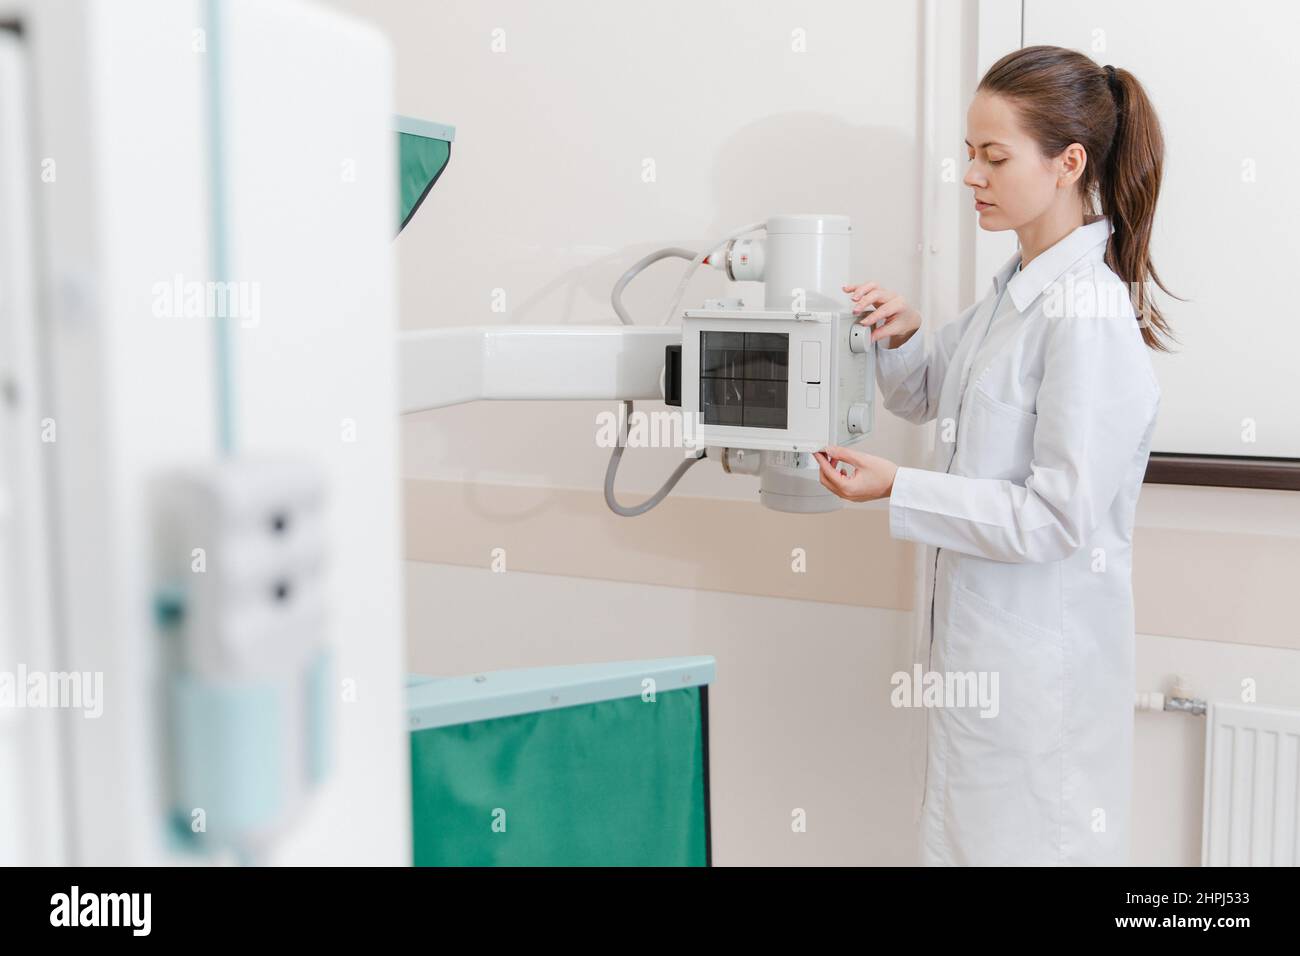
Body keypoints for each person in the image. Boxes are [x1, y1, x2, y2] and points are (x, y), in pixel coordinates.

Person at [813, 45, 1175, 865]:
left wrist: (899, 488)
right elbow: (930, 393)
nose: (971, 175)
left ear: (1067, 163)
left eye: (994, 156)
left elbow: (1055, 518)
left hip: (1038, 692)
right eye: (968, 154)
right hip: (980, 675)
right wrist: (900, 338)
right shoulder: (1014, 291)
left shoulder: (1086, 315)